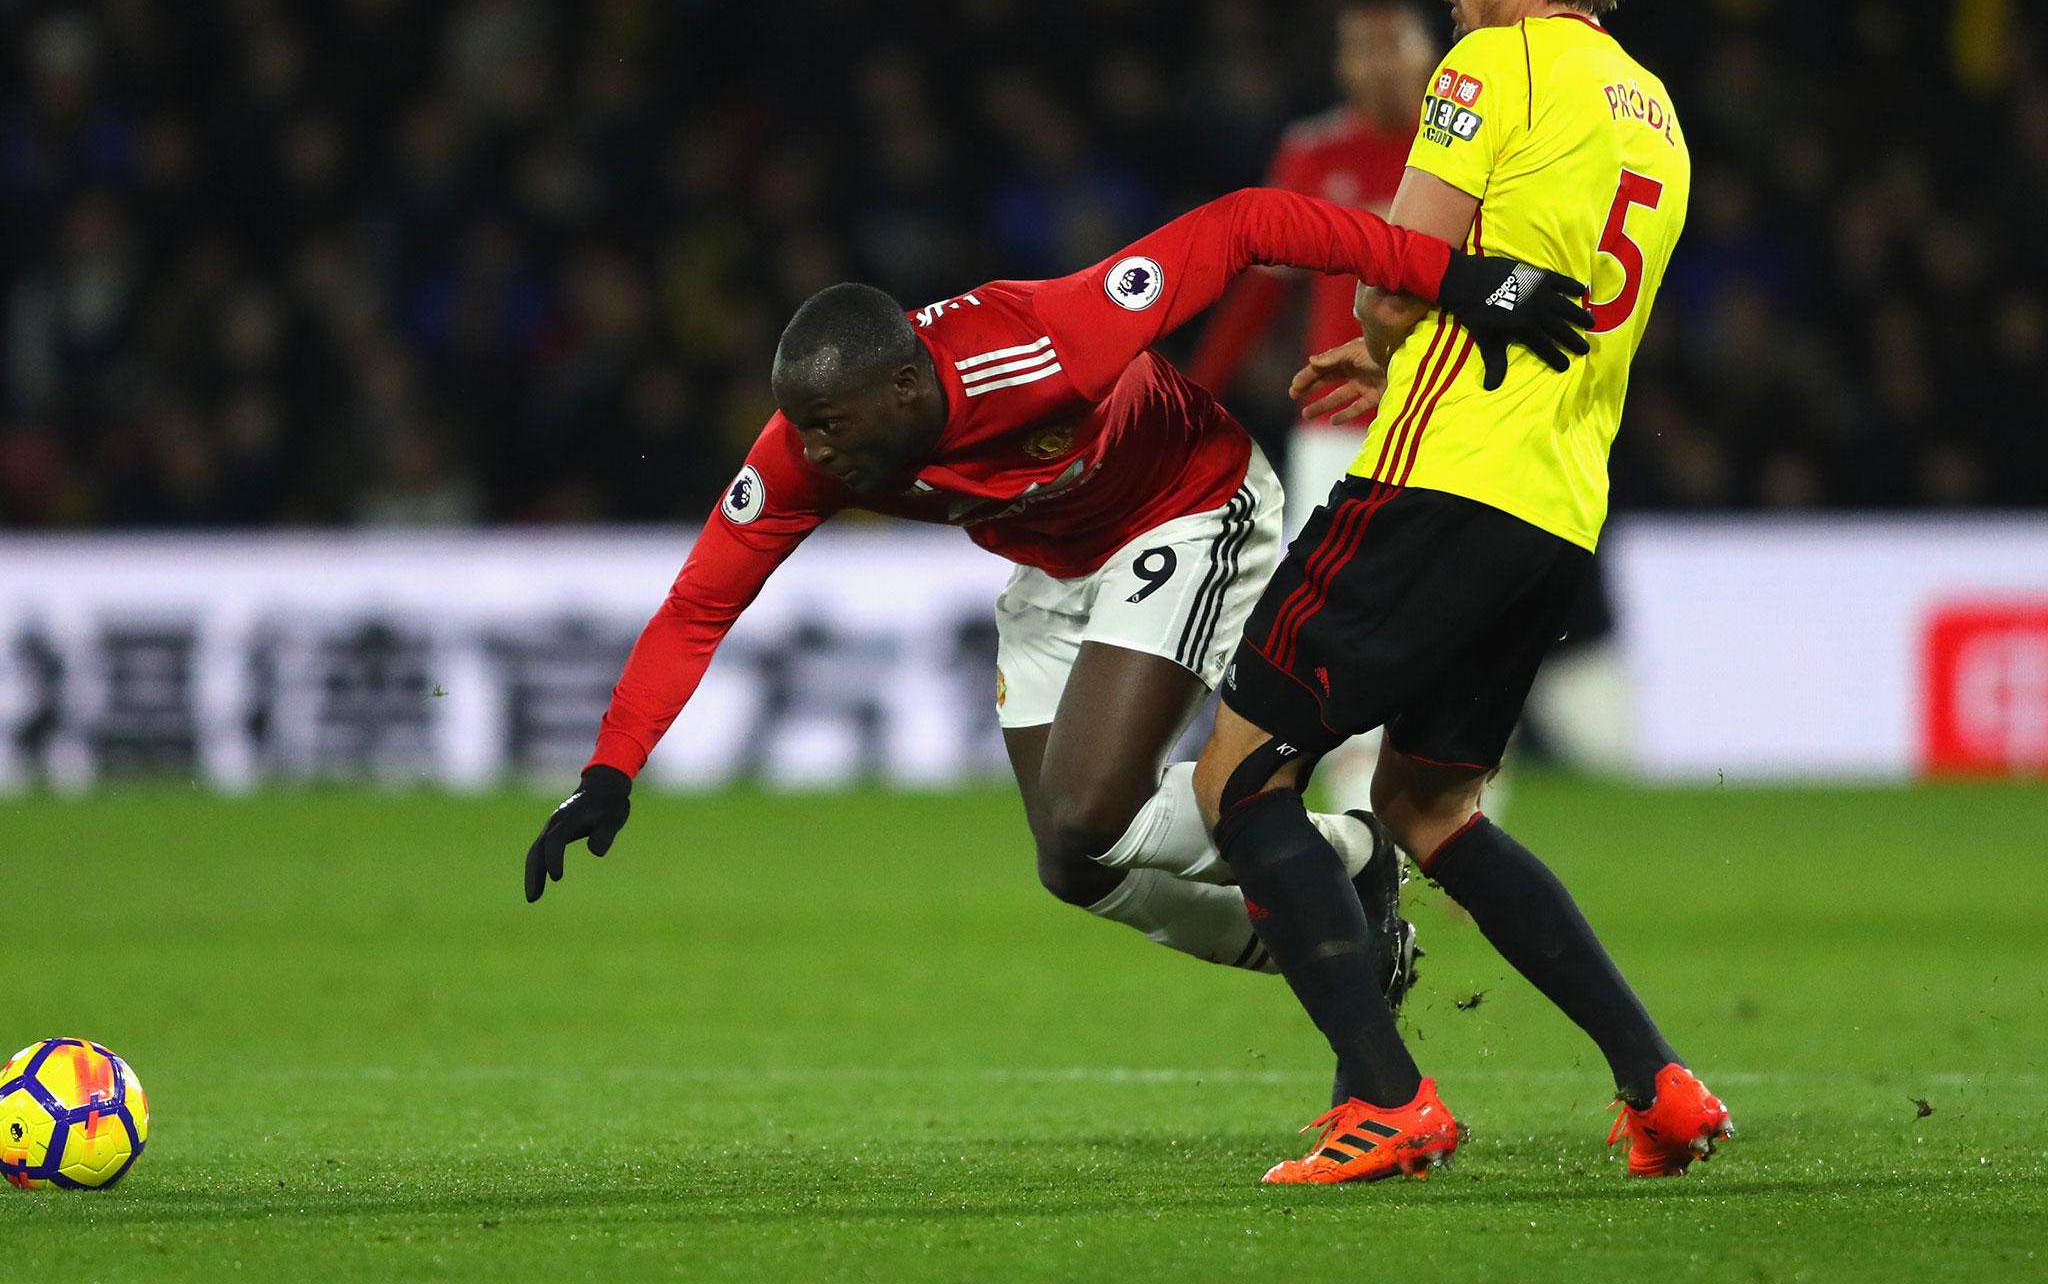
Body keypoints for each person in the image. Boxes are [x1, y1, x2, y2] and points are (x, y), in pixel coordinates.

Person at [524, 187, 1590, 1031]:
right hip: (1053, 564)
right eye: (798, 428)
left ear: (903, 392)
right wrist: (609, 772)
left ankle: (1350, 855)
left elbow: (1247, 223)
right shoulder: (811, 453)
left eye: (828, 426)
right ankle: (1334, 920)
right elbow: (698, 604)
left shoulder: (1043, 341)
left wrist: (1461, 282)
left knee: (1091, 806)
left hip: (1188, 507)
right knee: (1072, 864)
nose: (810, 453)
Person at [1182, 0, 1731, 1185]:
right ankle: (1658, 1083)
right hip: (1556, 506)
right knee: (1432, 805)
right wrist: (1400, 346)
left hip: (1437, 480)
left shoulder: (1487, 67)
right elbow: (1531, 284)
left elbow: (1396, 265)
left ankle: (1385, 1096)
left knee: (1237, 775)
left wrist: (1384, 332)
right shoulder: (1653, 105)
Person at [1187, 0, 1439, 812]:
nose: (1377, 67)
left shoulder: (1460, 146)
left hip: (1443, 414)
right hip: (1336, 421)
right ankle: (1352, 787)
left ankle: (1444, 790)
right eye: (1360, 52)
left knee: (1435, 605)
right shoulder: (1313, 151)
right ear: (1341, 67)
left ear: (1426, 54)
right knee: (1325, 612)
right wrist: (1199, 392)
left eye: (1391, 48)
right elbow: (1264, 285)